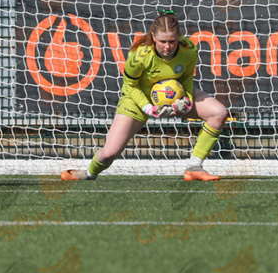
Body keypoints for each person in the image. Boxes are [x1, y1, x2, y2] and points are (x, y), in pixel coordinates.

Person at [61, 10, 228, 182]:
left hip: (174, 97)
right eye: (163, 41)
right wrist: (148, 108)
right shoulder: (139, 55)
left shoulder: (189, 49)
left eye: (172, 41)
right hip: (137, 99)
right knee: (109, 153)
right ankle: (89, 174)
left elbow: (186, 77)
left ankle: (194, 168)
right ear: (153, 37)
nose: (168, 46)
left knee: (218, 113)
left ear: (179, 37)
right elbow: (130, 86)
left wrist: (187, 99)